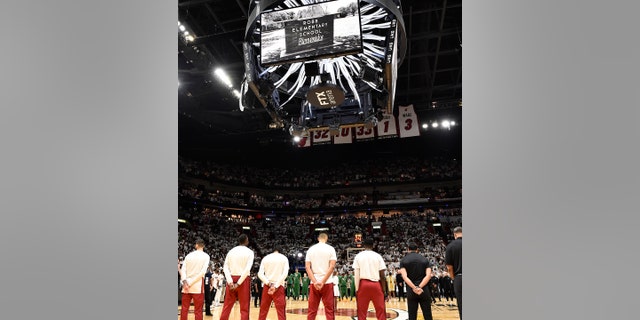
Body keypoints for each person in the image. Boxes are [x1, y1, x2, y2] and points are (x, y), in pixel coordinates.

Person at [220, 234, 255, 320]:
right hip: (243, 280)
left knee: (227, 306)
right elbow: (247, 269)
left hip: (231, 278)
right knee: (244, 307)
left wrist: (230, 281)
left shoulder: (231, 251)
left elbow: (225, 267)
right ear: (246, 241)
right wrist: (238, 283)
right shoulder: (250, 252)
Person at [352, 239, 388, 320]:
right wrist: (384, 291)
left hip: (363, 285)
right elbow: (382, 276)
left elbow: (356, 274)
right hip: (376, 285)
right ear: (373, 246)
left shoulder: (358, 256)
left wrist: (357, 289)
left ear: (364, 246)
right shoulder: (378, 256)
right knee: (381, 310)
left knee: (361, 311)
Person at [305, 232, 337, 320]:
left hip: (314, 283)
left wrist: (315, 282)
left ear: (318, 239)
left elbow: (307, 267)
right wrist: (323, 282)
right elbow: (332, 267)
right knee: (329, 310)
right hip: (327, 283)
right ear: (326, 239)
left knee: (312, 310)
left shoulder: (311, 249)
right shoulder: (331, 249)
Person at [399, 242, 433, 320]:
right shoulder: (425, 259)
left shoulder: (403, 260)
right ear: (417, 250)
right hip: (424, 290)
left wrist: (414, 288)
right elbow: (428, 276)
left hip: (411, 291)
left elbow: (404, 277)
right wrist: (419, 287)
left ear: (408, 250)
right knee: (428, 315)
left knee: (412, 315)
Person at [179, 238, 211, 320]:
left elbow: (183, 270)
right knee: (198, 310)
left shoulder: (189, 255)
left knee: (184, 309)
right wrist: (190, 283)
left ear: (196, 245)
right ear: (203, 246)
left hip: (186, 287)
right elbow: (202, 273)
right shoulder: (206, 256)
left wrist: (185, 282)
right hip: (197, 286)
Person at [257, 246, 289, 320]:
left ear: (272, 250)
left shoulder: (265, 258)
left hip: (267, 286)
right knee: (281, 312)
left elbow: (260, 274)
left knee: (263, 311)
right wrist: (276, 285)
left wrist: (269, 283)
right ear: (280, 251)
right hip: (279, 286)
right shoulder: (284, 258)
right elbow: (285, 274)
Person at [445, 226, 462, 319]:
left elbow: (449, 267)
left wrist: (453, 278)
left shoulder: (450, 246)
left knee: (462, 305)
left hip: (459, 277)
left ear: (454, 234)